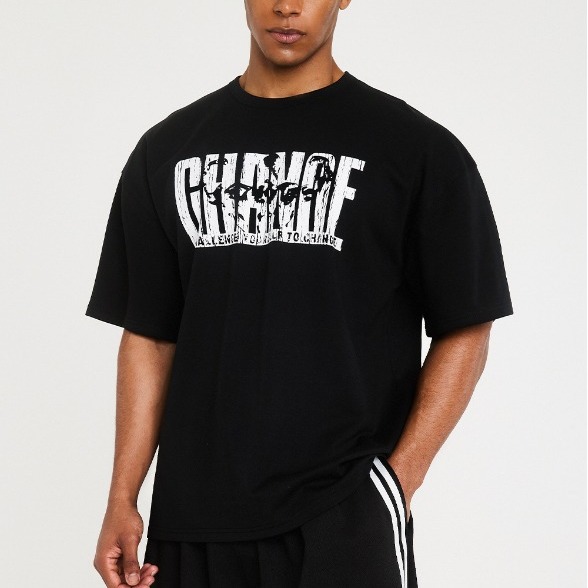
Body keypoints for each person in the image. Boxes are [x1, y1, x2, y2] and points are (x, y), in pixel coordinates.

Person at [86, 0, 514, 586]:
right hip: (191, 520)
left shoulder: (416, 149)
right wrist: (122, 495)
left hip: (342, 514)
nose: (286, 6)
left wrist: (397, 481)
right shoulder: (166, 150)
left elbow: (467, 324)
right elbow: (150, 336)